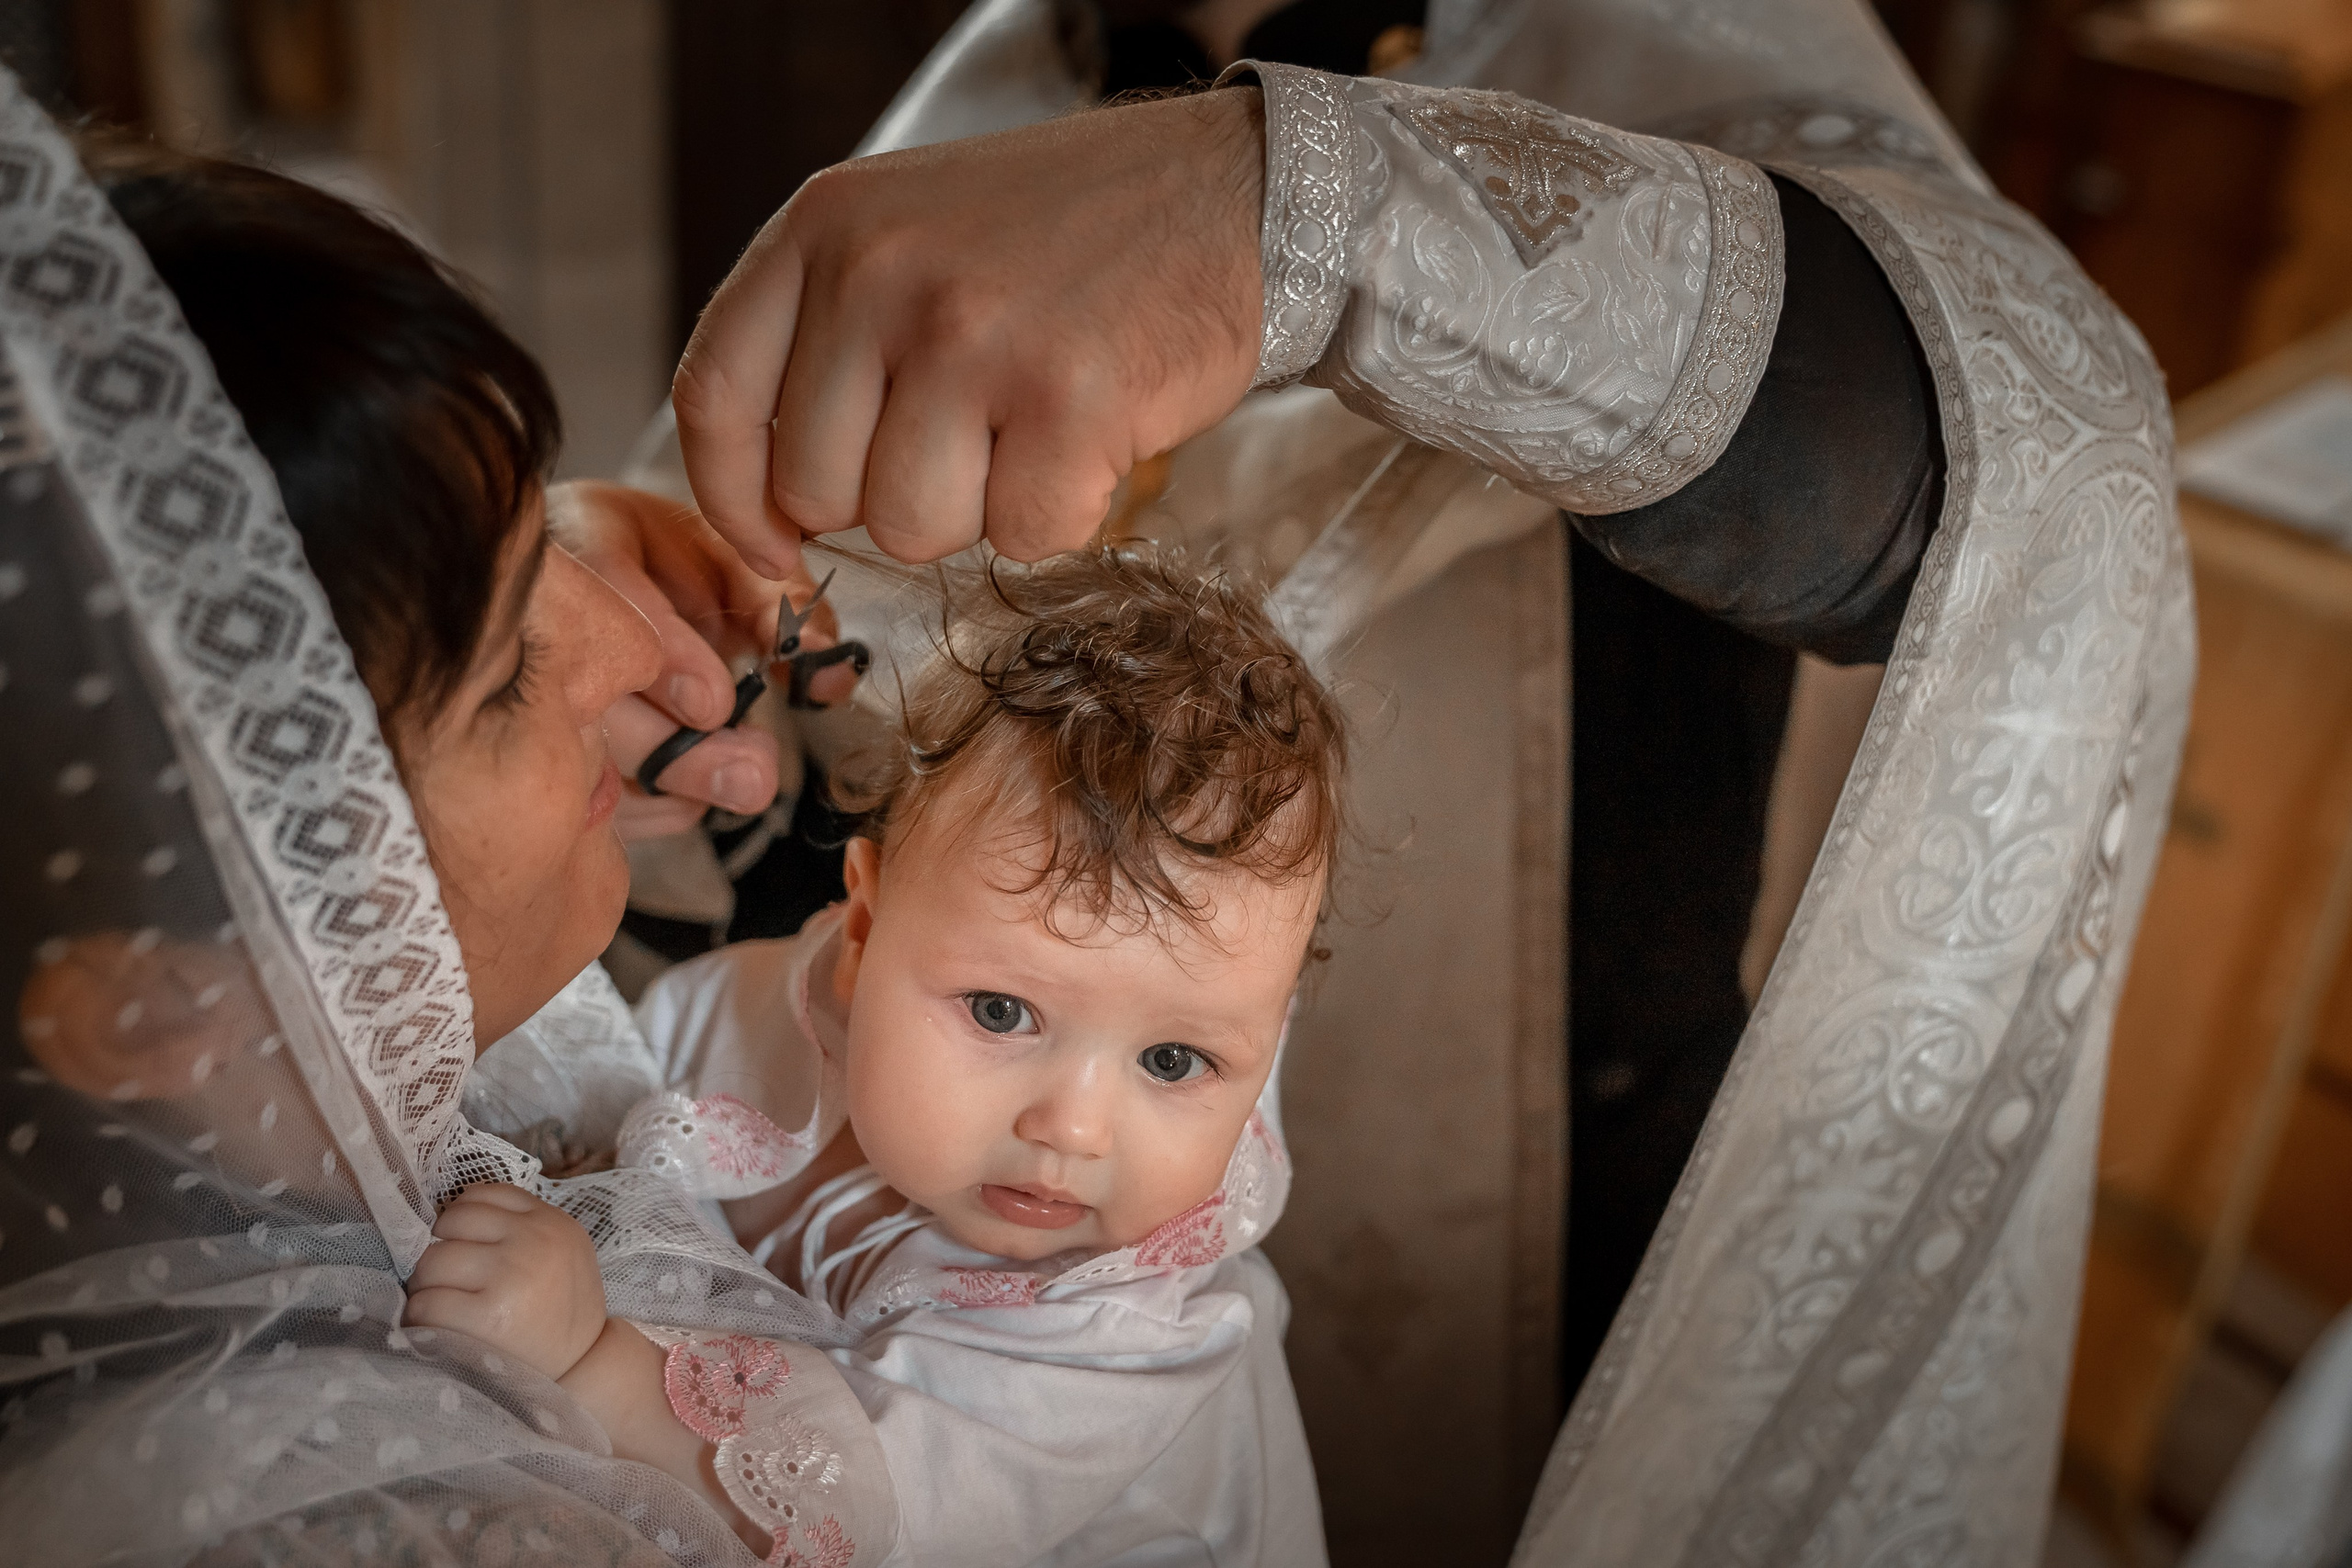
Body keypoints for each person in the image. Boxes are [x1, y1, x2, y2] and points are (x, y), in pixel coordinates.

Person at [637, 1, 2194, 1561]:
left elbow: (2032, 462)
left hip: (1556, 1218)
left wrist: (1286, 213)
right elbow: (768, 737)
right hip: (872, 1227)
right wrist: (627, 626)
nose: (1075, 1116)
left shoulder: (1666, 36)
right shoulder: (1011, 76)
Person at [0, 98, 897, 1565]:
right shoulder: (388, 1520)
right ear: (154, 1003)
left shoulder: (301, 1076)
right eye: (501, 676)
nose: (629, 643)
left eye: (548, 531)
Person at [615, 547, 1335, 1563]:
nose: (1072, 1129)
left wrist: (589, 1358)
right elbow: (613, 1096)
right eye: (1001, 1011)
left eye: (1173, 1062)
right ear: (861, 933)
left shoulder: (1125, 1333)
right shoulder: (745, 1015)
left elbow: (865, 1522)